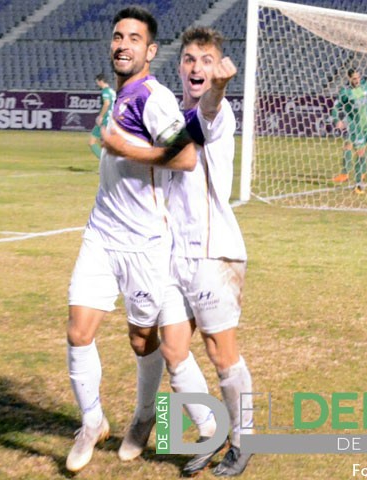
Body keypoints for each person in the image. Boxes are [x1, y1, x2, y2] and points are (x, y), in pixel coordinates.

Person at [103, 26, 254, 477]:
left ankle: (244, 439)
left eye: (205, 61)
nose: (196, 67)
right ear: (179, 65)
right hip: (171, 256)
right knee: (172, 350)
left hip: (212, 253)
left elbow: (208, 108)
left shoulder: (217, 115)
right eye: (189, 59)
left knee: (220, 352)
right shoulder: (169, 114)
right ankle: (209, 432)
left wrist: (220, 88)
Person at [64, 6, 202, 473]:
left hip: (144, 243)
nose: (123, 44)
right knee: (78, 332)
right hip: (101, 233)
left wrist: (126, 148)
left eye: (134, 38)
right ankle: (91, 422)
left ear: (151, 50)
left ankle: (143, 416)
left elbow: (185, 158)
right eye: (118, 36)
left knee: (142, 340)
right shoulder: (120, 94)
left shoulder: (154, 98)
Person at [331, 68, 367, 194]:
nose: (357, 80)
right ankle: (358, 184)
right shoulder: (345, 92)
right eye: (354, 78)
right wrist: (337, 120)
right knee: (360, 153)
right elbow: (335, 108)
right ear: (349, 78)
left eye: (358, 77)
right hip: (357, 126)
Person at [88, 73, 116, 159]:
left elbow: (106, 103)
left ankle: (104, 163)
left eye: (97, 82)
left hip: (105, 119)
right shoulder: (112, 91)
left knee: (92, 142)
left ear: (101, 81)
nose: (97, 84)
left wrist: (100, 116)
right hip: (112, 120)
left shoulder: (105, 91)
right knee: (105, 144)